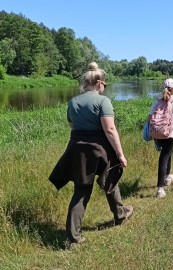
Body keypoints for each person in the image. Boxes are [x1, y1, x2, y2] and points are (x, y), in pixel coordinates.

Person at [49, 62, 133, 250]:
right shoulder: (103, 101)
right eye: (105, 84)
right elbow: (110, 129)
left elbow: (72, 127)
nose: (105, 88)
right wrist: (120, 154)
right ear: (99, 83)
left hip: (77, 149)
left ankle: (73, 238)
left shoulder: (73, 102)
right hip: (99, 148)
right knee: (111, 179)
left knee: (81, 189)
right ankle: (119, 216)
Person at [148, 78, 173, 198]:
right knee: (164, 157)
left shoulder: (156, 101)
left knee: (167, 153)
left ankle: (167, 176)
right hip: (170, 134)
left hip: (157, 133)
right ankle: (160, 188)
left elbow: (149, 117)